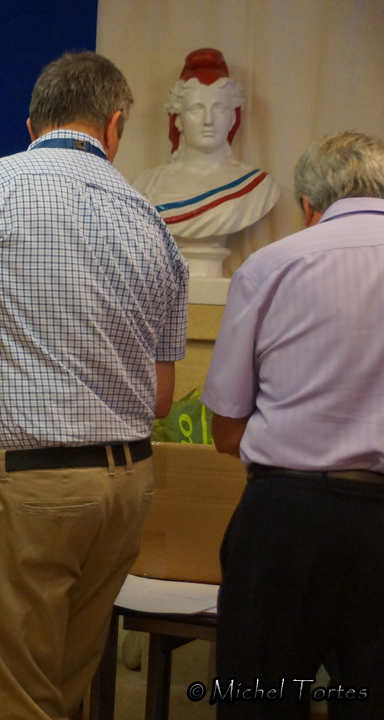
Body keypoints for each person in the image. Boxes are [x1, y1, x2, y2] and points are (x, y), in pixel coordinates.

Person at [0, 52, 188, 720]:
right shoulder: (153, 221)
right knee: (61, 692)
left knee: (17, 702)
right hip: (125, 487)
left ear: (32, 124)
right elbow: (162, 397)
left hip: (31, 490)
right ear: (113, 127)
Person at [203, 131, 384, 719]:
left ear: (309, 205)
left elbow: (225, 430)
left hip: (286, 519)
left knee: (257, 701)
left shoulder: (271, 265)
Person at [132, 48, 280, 276]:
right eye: (196, 109)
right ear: (178, 120)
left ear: (232, 118)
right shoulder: (147, 185)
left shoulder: (258, 187)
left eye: (218, 108)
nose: (208, 121)